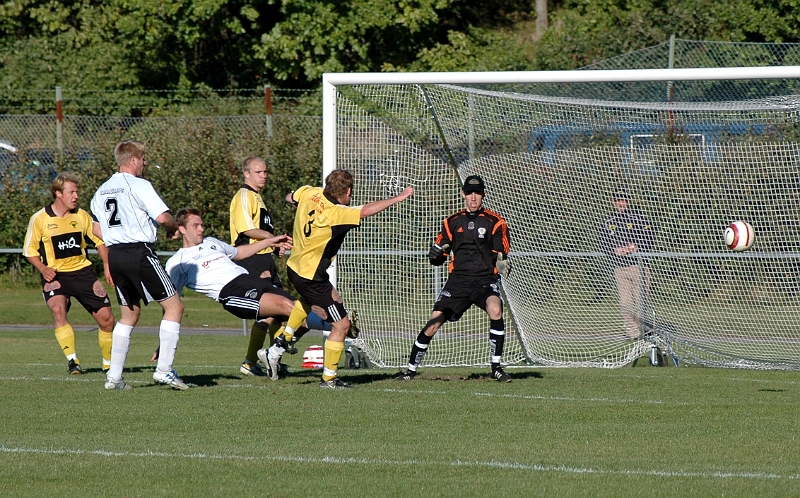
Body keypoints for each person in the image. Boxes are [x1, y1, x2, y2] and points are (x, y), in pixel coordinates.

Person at [260, 169, 413, 388]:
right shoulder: (336, 212)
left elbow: (289, 197)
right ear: (347, 191)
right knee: (342, 325)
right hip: (312, 276)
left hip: (295, 267)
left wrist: (301, 206)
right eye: (351, 193)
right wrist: (397, 198)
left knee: (311, 301)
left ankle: (276, 348)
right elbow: (365, 211)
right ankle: (329, 378)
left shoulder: (309, 192)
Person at [90, 140, 187, 390]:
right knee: (174, 306)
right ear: (133, 159)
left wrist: (116, 236)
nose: (145, 163)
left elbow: (95, 227)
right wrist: (175, 228)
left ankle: (114, 377)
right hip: (139, 252)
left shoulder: (102, 190)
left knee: (129, 314)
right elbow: (162, 216)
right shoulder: (139, 185)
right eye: (143, 158)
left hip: (115, 254)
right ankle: (164, 370)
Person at [395, 175, 513, 383]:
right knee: (433, 323)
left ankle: (496, 367)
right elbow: (439, 254)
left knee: (495, 309)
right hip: (457, 281)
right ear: (463, 194)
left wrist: (501, 264)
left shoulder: (496, 222)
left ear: (483, 195)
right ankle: (410, 370)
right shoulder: (451, 222)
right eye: (469, 193)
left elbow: (500, 253)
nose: (473, 198)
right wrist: (436, 255)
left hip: (484, 281)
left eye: (477, 193)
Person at [229, 156, 330, 377]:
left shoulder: (257, 197)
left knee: (276, 315)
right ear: (246, 174)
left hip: (264, 257)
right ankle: (250, 362)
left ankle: (270, 359)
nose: (263, 176)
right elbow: (247, 230)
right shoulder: (244, 195)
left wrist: (274, 246)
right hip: (252, 258)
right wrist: (273, 239)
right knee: (271, 312)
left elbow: (258, 230)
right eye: (258, 172)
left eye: (265, 172)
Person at [165, 209, 300, 368]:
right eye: (196, 226)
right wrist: (164, 341)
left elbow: (238, 253)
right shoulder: (177, 263)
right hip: (232, 292)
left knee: (303, 312)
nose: (201, 229)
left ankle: (273, 354)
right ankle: (272, 353)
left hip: (251, 279)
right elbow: (170, 304)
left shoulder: (211, 242)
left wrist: (269, 242)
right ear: (182, 229)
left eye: (202, 225)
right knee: (287, 306)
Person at [23, 172, 115, 375]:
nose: (76, 196)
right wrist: (43, 269)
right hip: (56, 276)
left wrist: (107, 266)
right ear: (58, 193)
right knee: (58, 310)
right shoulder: (40, 219)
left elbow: (100, 241)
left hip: (83, 273)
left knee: (107, 319)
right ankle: (73, 361)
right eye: (71, 192)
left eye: (77, 192)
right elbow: (29, 252)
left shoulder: (82, 216)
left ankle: (109, 364)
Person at [597, 189, 655, 339]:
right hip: (620, 268)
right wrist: (615, 250)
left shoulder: (638, 218)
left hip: (638, 268)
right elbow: (601, 243)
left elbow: (649, 238)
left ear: (628, 202)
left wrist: (635, 247)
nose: (620, 203)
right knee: (625, 303)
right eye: (617, 200)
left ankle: (644, 329)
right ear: (613, 202)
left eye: (623, 200)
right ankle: (633, 333)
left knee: (640, 304)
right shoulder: (608, 221)